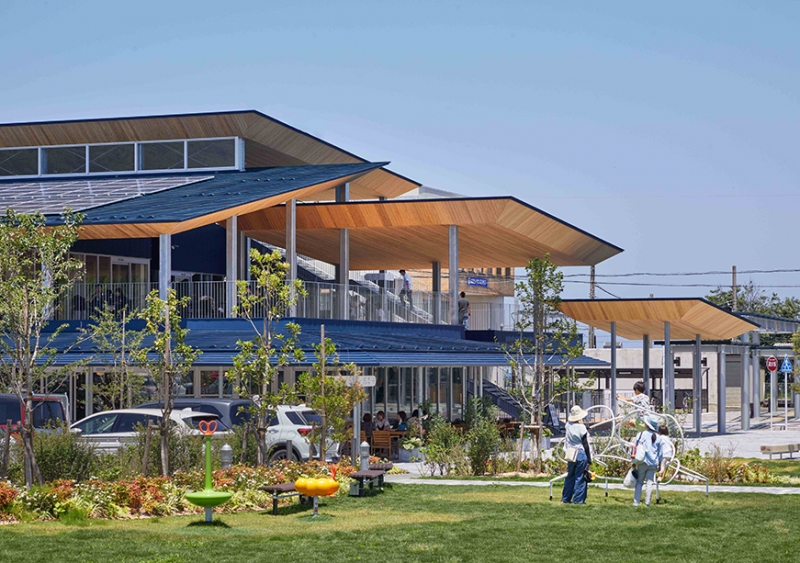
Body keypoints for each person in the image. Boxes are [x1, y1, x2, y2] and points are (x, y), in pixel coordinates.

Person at [562, 405, 592, 505]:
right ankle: (578, 500)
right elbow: (585, 443)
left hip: (571, 453)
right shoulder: (581, 427)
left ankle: (566, 498)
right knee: (580, 477)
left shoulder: (568, 425)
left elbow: (574, 430)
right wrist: (589, 458)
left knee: (570, 476)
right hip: (580, 453)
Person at [631, 414, 664, 507]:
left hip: (642, 461)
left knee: (639, 482)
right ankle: (647, 502)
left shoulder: (641, 435)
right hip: (653, 463)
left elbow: (634, 447)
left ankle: (636, 501)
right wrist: (660, 465)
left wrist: (633, 462)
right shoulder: (659, 437)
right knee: (650, 483)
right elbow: (660, 454)